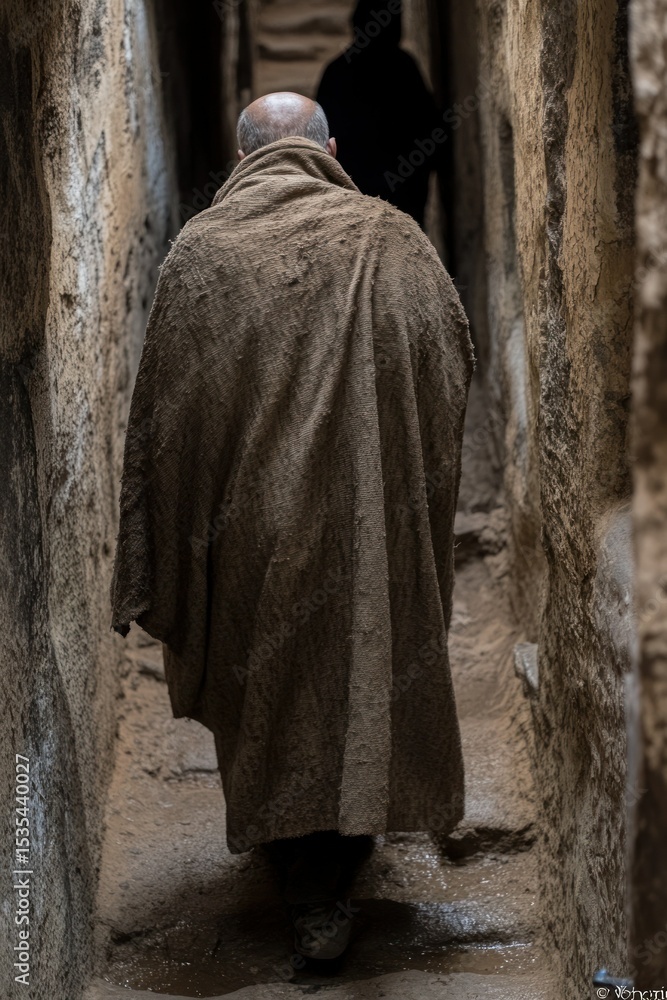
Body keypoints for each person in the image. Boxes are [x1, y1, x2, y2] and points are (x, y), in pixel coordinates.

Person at [111, 92, 473, 966]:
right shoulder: (390, 239)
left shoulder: (199, 256)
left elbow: (162, 425)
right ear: (331, 149)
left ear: (240, 162)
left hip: (250, 542)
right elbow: (448, 363)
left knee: (269, 693)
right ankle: (336, 859)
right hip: (365, 523)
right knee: (358, 670)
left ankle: (305, 873)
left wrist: (187, 532)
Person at [316, 0, 439, 227]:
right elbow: (430, 126)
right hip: (401, 192)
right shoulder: (403, 68)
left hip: (358, 192)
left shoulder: (337, 72)